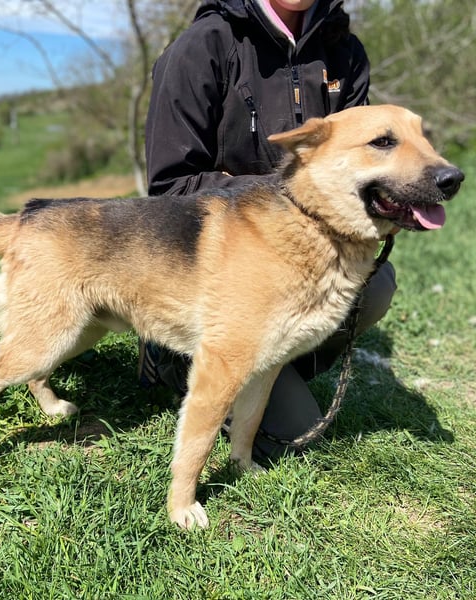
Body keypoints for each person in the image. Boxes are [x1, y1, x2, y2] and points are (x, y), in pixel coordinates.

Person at [140, 0, 397, 460]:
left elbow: (359, 166)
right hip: (222, 266)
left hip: (308, 254)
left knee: (377, 287)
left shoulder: (346, 52)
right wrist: (291, 193)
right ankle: (171, 356)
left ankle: (275, 360)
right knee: (297, 436)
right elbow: (170, 185)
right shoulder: (203, 46)